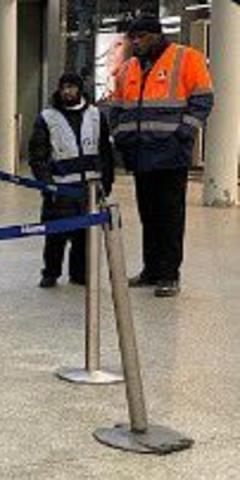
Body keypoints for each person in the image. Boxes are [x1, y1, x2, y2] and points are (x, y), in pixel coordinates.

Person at [110, 15, 214, 297]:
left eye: (141, 36)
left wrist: (184, 133)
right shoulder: (130, 67)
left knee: (170, 216)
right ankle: (151, 269)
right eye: (133, 37)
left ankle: (169, 274)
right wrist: (121, 135)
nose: (135, 42)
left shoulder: (186, 58)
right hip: (141, 154)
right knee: (149, 215)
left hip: (170, 154)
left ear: (157, 35)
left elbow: (203, 99)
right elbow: (117, 106)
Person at [29, 73, 115, 288]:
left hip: (90, 186)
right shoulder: (47, 117)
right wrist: (46, 183)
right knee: (55, 234)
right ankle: (51, 272)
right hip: (60, 186)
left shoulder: (96, 115)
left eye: (72, 87)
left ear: (79, 89)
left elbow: (105, 151)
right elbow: (37, 155)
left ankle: (79, 273)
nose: (67, 92)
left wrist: (107, 180)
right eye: (64, 87)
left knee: (84, 235)